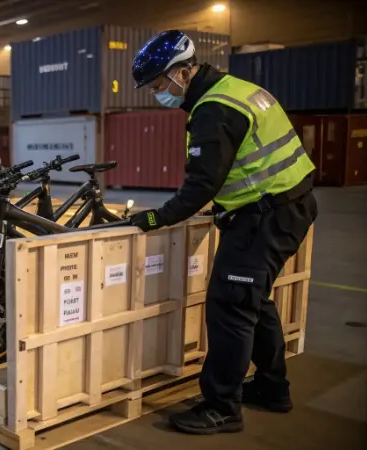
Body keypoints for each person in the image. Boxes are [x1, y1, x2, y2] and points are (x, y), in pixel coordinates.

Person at [128, 30, 318, 435]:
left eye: (159, 85)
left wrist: (155, 218)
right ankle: (271, 388)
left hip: (264, 216)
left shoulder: (214, 109)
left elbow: (200, 185)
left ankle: (221, 407)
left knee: (230, 305)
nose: (159, 94)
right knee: (253, 299)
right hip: (282, 206)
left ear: (182, 72)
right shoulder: (236, 90)